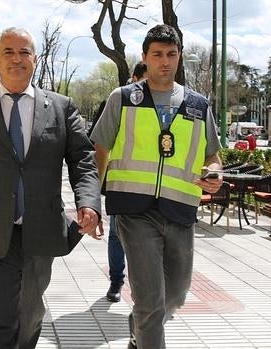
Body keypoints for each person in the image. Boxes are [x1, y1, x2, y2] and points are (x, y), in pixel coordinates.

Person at [0, 27, 101, 349]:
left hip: (42, 228)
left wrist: (89, 202)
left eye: (24, 52)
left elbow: (82, 159)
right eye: (8, 52)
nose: (17, 58)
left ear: (35, 60)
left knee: (30, 313)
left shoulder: (61, 107)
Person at [90, 24, 223, 349]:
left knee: (174, 296)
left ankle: (139, 329)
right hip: (133, 212)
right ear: (145, 58)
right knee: (150, 301)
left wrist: (215, 174)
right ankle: (146, 329)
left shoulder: (197, 105)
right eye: (157, 54)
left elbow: (213, 155)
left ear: (179, 58)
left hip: (180, 212)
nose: (165, 61)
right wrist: (92, 202)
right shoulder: (122, 99)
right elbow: (100, 150)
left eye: (171, 54)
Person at [105, 61, 148, 303]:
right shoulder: (117, 102)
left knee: (145, 242)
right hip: (121, 186)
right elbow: (100, 146)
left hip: (151, 189)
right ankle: (116, 282)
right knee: (116, 237)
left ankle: (142, 290)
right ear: (134, 78)